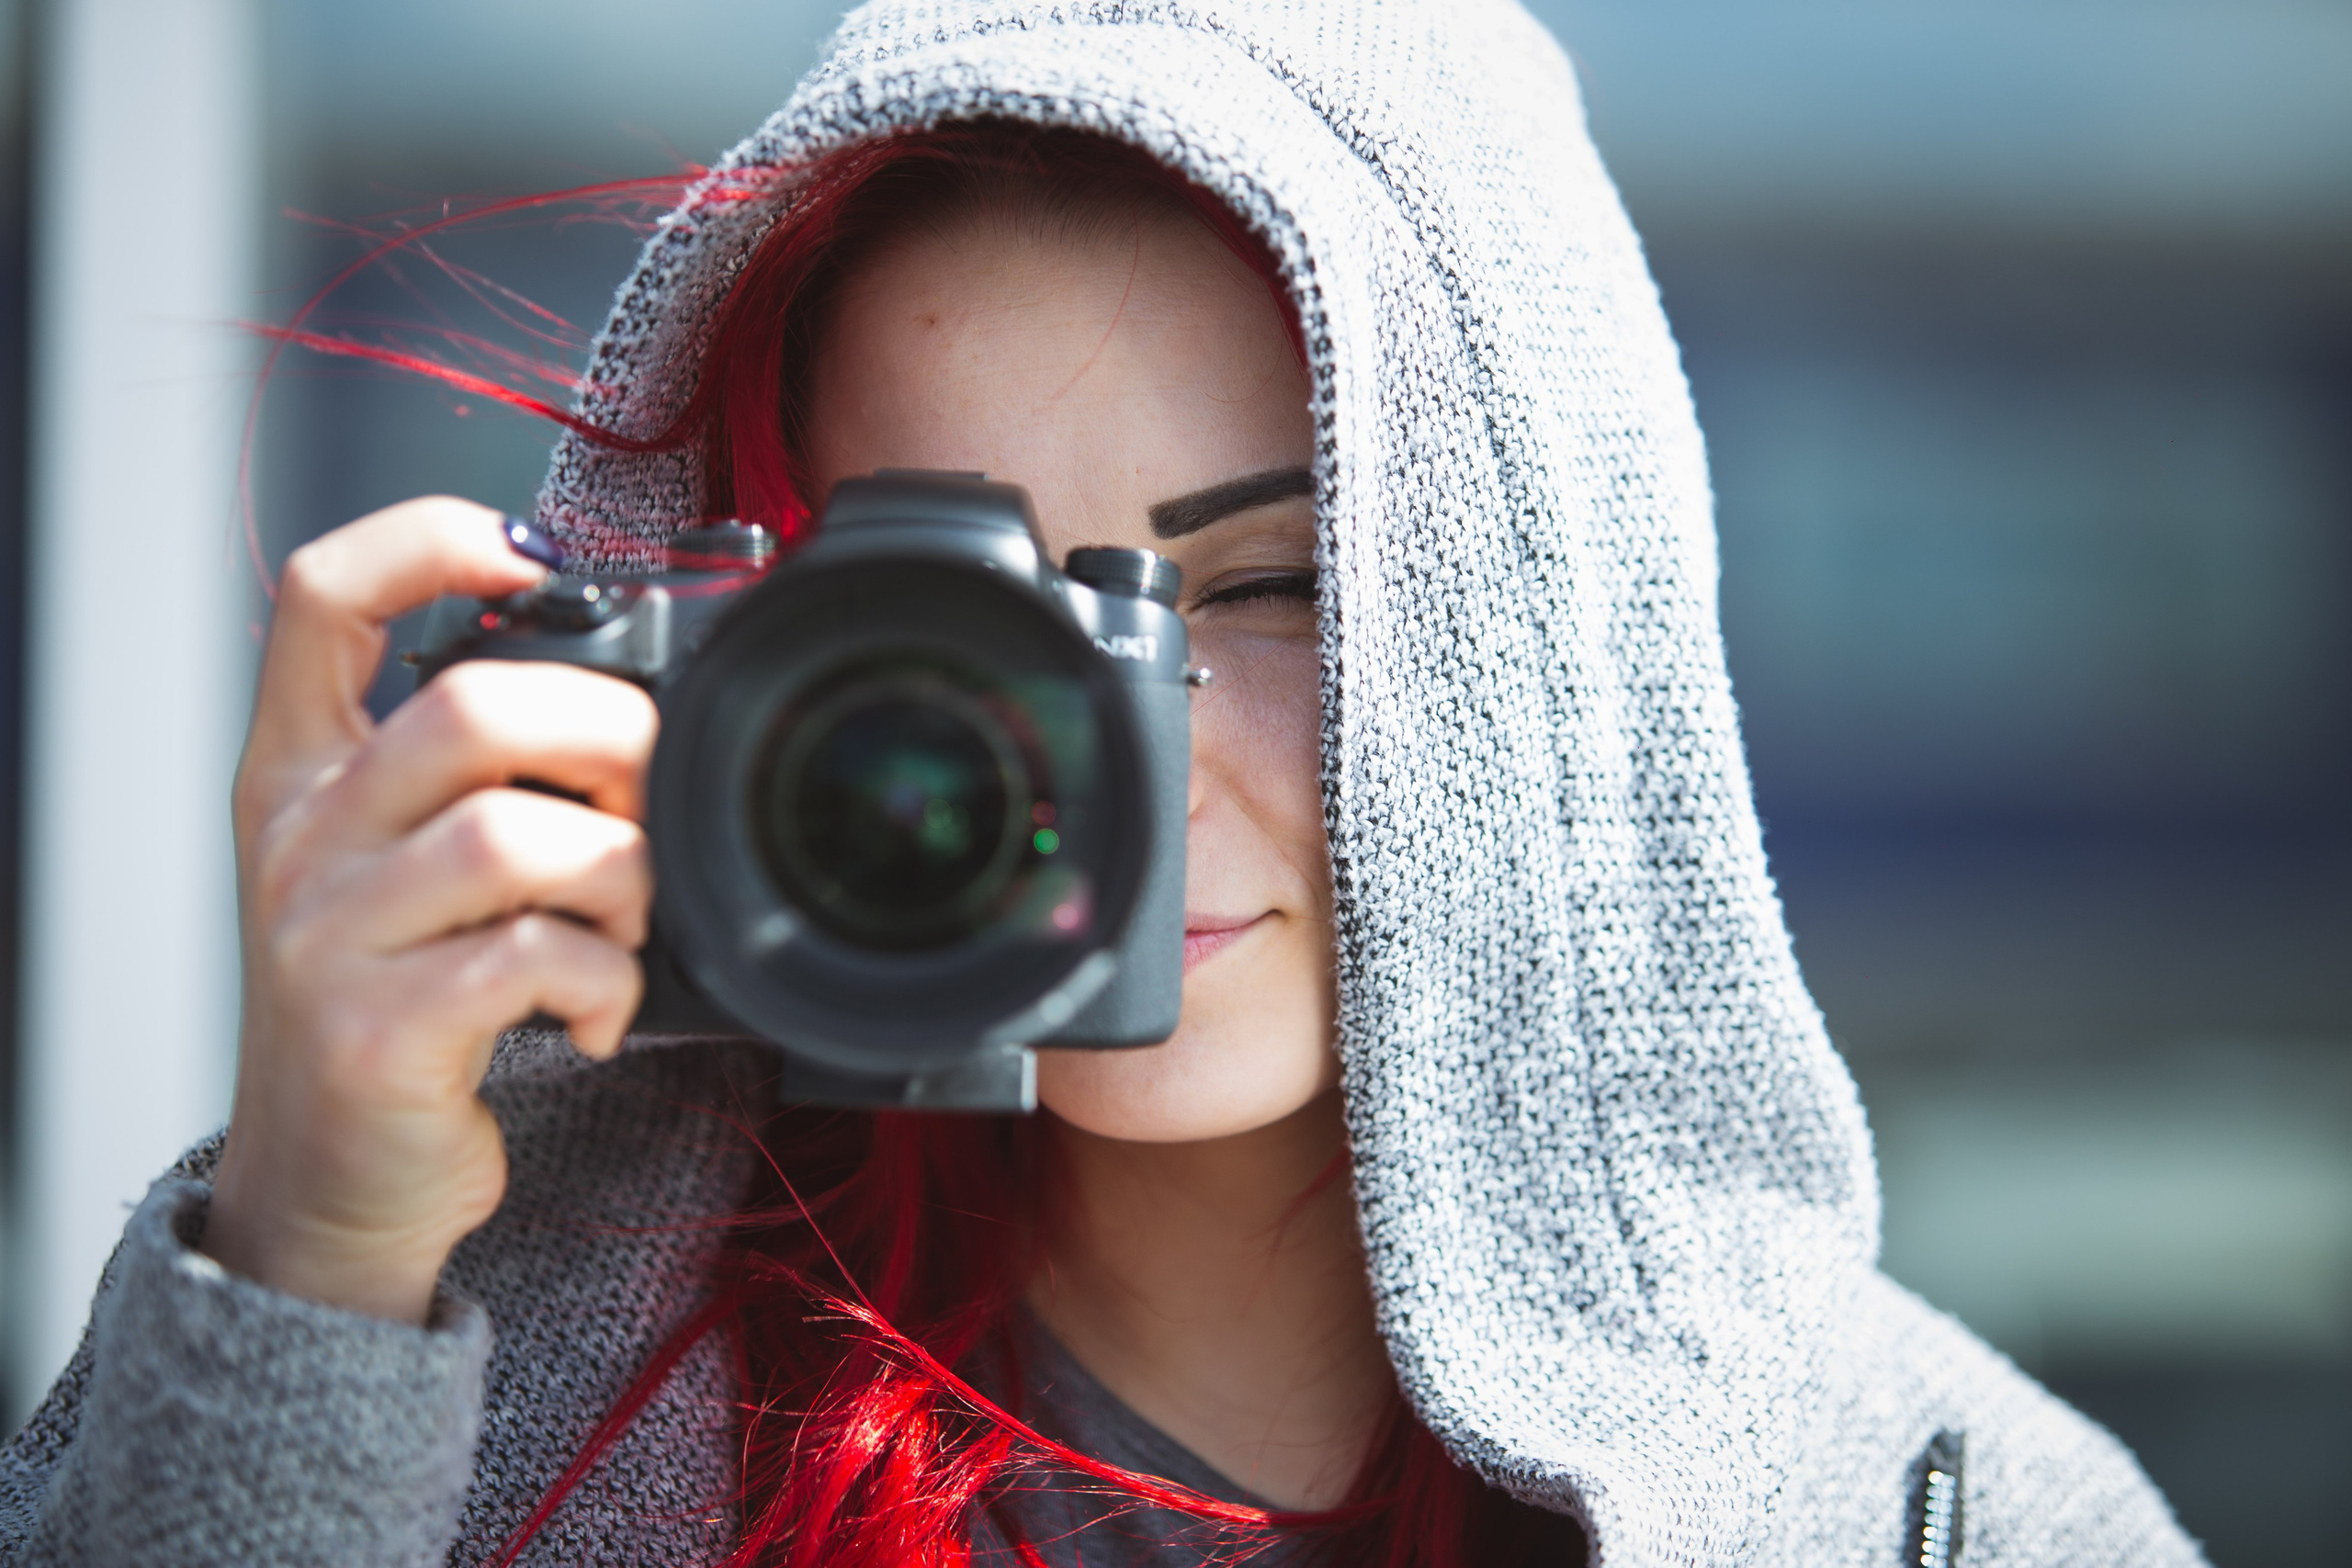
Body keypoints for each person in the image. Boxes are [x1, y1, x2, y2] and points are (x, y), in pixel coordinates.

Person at [1, 2, 2204, 1564]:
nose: (1091, 740)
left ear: (1541, 648)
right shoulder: (448, 1408)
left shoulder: (1961, 1515)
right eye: (933, 614)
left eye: (1265, 583)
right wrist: (313, 1266)